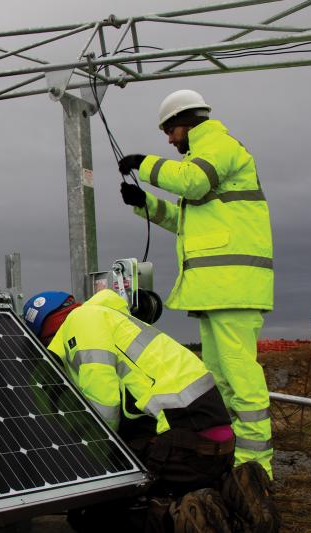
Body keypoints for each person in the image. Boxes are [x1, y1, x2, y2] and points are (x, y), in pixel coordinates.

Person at [23, 289, 280, 533]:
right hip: (216, 444)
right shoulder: (112, 317)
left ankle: (178, 517)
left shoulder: (80, 323)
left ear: (45, 334)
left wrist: (91, 465)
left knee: (93, 515)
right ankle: (233, 491)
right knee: (137, 453)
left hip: (185, 445)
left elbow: (103, 405)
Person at [116, 89, 275, 481]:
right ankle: (227, 459)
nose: (169, 140)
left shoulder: (218, 145)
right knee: (218, 379)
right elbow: (185, 221)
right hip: (216, 289)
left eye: (170, 131)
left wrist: (144, 164)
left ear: (186, 121)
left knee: (241, 378)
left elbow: (192, 183)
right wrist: (145, 204)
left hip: (232, 286)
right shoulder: (203, 161)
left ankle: (256, 471)